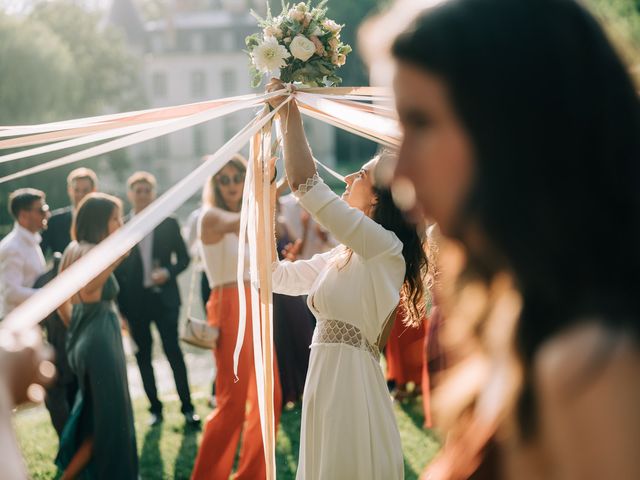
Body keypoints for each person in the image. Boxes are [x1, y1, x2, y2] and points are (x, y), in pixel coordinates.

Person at [390, 0, 640, 478]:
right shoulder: (531, 319)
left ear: (513, 128)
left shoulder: (593, 366)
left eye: (420, 123)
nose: (400, 172)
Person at [267, 80, 428, 480]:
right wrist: (261, 198)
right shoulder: (345, 253)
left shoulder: (385, 248)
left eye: (363, 174)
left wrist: (289, 111)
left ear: (378, 197)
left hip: (351, 383)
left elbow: (307, 186)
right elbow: (275, 277)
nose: (350, 175)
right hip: (324, 376)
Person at [191, 155, 283, 480]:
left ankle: (251, 475)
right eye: (224, 179)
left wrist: (270, 182)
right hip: (230, 305)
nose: (231, 184)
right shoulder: (210, 217)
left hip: (256, 303)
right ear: (215, 185)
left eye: (236, 177)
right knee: (232, 403)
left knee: (269, 397)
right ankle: (206, 476)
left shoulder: (240, 216)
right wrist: (269, 183)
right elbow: (249, 217)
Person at [55, 192, 137, 479]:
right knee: (110, 420)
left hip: (81, 336)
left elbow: (59, 299)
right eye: (116, 218)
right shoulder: (92, 252)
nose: (121, 222)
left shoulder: (71, 249)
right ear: (101, 221)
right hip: (100, 339)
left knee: (94, 417)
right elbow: (90, 288)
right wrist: (118, 257)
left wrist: (76, 329)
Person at [115, 171, 199, 427]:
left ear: (153, 193)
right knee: (143, 356)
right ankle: (155, 409)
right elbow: (116, 271)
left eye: (147, 190)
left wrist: (168, 272)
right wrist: (120, 310)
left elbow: (184, 259)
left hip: (165, 299)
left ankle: (187, 408)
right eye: (137, 191)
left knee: (174, 352)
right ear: (130, 194)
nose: (142, 195)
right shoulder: (121, 226)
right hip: (135, 303)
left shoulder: (169, 222)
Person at [0, 188, 48, 319]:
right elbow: (11, 293)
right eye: (41, 210)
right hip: (16, 325)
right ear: (23, 215)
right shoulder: (12, 248)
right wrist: (48, 294)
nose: (47, 214)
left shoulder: (30, 241)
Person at [41, 167, 97, 257]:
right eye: (76, 190)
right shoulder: (54, 221)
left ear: (94, 191)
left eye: (85, 190)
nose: (80, 194)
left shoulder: (103, 221)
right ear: (69, 190)